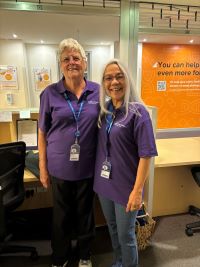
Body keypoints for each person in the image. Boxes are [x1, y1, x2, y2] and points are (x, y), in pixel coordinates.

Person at [38, 38, 100, 267]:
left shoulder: (98, 91)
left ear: (84, 63)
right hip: (59, 168)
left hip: (88, 167)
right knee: (61, 217)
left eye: (76, 58)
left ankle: (85, 255)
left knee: (86, 215)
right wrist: (43, 169)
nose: (71, 62)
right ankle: (60, 258)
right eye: (66, 59)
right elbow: (42, 133)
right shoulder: (49, 94)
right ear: (60, 64)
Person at [94, 59, 158, 267]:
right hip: (104, 185)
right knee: (112, 230)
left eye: (119, 76)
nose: (114, 82)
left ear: (127, 79)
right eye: (109, 78)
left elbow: (146, 155)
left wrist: (138, 190)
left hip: (126, 188)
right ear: (104, 83)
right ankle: (118, 262)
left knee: (126, 235)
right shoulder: (104, 112)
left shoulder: (139, 113)